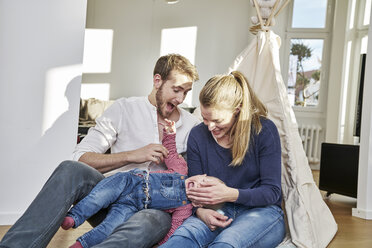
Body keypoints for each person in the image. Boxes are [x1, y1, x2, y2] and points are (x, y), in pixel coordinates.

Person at [0, 54, 200, 248]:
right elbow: (81, 157)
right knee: (70, 168)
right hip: (110, 197)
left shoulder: (191, 126)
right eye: (176, 89)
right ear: (158, 81)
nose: (181, 98)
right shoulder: (123, 109)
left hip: (155, 211)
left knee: (150, 222)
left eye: (186, 92)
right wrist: (131, 156)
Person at [160, 71, 286, 248]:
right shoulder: (197, 135)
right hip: (217, 211)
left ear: (237, 109)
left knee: (226, 243)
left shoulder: (263, 130)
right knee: (182, 239)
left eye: (217, 120)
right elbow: (196, 192)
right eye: (205, 118)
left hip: (261, 212)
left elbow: (272, 192)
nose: (210, 126)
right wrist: (201, 212)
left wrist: (228, 193)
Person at [61, 119, 201, 248]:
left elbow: (174, 229)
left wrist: (160, 244)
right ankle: (74, 217)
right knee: (98, 197)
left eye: (201, 192)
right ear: (202, 175)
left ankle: (81, 244)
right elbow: (170, 152)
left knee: (110, 227)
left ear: (198, 203)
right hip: (128, 181)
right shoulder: (181, 169)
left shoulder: (185, 208)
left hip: (133, 206)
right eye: (204, 182)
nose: (197, 187)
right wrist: (169, 133)